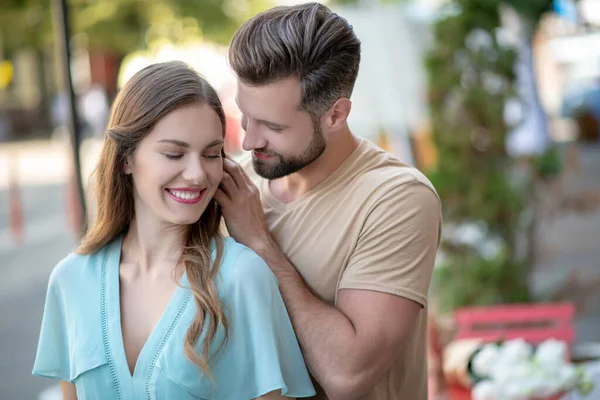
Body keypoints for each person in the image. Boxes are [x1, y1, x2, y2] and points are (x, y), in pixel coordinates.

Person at [32, 61, 315, 400]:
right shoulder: (70, 280)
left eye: (211, 154)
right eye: (174, 153)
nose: (197, 174)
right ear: (125, 158)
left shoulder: (241, 277)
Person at [215, 3, 442, 400]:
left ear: (336, 115)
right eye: (246, 117)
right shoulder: (238, 185)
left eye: (274, 126)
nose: (250, 141)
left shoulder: (397, 199)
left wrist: (259, 244)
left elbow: (347, 375)